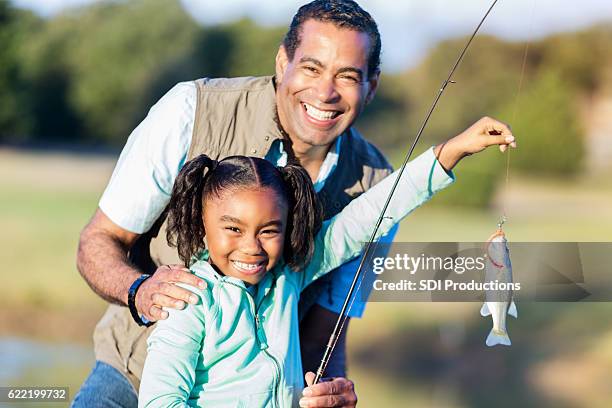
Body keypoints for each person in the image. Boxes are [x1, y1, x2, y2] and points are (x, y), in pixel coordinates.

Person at [72, 0, 516, 406]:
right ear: (283, 62)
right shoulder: (192, 110)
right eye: (311, 67)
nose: (325, 92)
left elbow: (362, 225)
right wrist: (141, 290)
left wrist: (452, 150)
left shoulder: (298, 263)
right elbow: (99, 241)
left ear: (371, 85)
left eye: (347, 75)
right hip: (129, 371)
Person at [138, 120, 514, 407]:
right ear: (203, 227)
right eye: (233, 229)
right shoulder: (189, 301)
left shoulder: (289, 274)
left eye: (269, 230)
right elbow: (159, 401)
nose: (251, 247)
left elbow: (366, 217)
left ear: (288, 229)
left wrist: (454, 150)